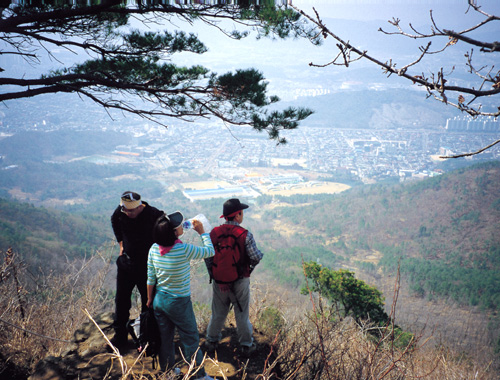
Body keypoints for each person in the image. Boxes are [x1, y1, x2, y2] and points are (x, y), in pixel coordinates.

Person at [147, 211, 215, 379]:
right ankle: (198, 375)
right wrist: (202, 233)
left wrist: (149, 299)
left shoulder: (154, 249)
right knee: (190, 338)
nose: (181, 224)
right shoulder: (184, 250)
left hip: (159, 300)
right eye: (178, 225)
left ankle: (169, 372)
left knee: (166, 338)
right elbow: (209, 251)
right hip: (179, 302)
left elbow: (151, 277)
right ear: (175, 233)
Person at [204, 198, 263, 356]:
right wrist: (247, 268)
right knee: (241, 313)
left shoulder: (214, 234)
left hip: (219, 282)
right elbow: (256, 257)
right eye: (241, 212)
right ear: (237, 215)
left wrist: (215, 274)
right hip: (240, 280)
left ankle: (211, 341)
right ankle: (246, 345)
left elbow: (208, 257)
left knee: (218, 313)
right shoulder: (245, 235)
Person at [110, 191, 163, 349]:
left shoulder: (154, 214)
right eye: (125, 210)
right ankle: (120, 339)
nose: (127, 213)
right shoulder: (120, 212)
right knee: (121, 302)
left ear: (140, 206)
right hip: (126, 263)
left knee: (148, 303)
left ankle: (146, 338)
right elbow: (114, 220)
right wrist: (120, 243)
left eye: (131, 211)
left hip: (147, 267)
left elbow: (167, 229)